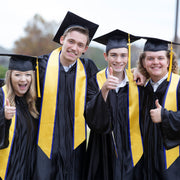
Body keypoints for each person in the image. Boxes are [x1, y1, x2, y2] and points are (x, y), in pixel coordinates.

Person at [35, 11, 99, 180]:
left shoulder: (88, 69)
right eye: (71, 41)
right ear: (62, 40)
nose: (74, 48)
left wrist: (137, 73)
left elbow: (111, 81)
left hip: (74, 145)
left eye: (80, 45)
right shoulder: (40, 67)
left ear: (85, 49)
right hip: (43, 145)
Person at [84, 29, 145, 180]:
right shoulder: (94, 81)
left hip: (132, 149)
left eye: (123, 55)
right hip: (102, 149)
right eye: (113, 55)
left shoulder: (138, 81)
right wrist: (104, 90)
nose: (119, 60)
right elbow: (91, 119)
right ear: (106, 56)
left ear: (128, 56)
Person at [137, 37, 180, 179]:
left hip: (172, 165)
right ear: (143, 62)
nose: (155, 62)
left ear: (168, 61)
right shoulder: (142, 88)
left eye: (160, 58)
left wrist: (165, 116)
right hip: (146, 165)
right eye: (150, 58)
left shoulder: (178, 85)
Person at [0, 54, 39, 180]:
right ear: (10, 76)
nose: (23, 79)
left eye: (28, 75)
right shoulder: (1, 96)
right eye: (18, 74)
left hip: (27, 169)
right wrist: (3, 116)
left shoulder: (33, 103)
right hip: (7, 170)